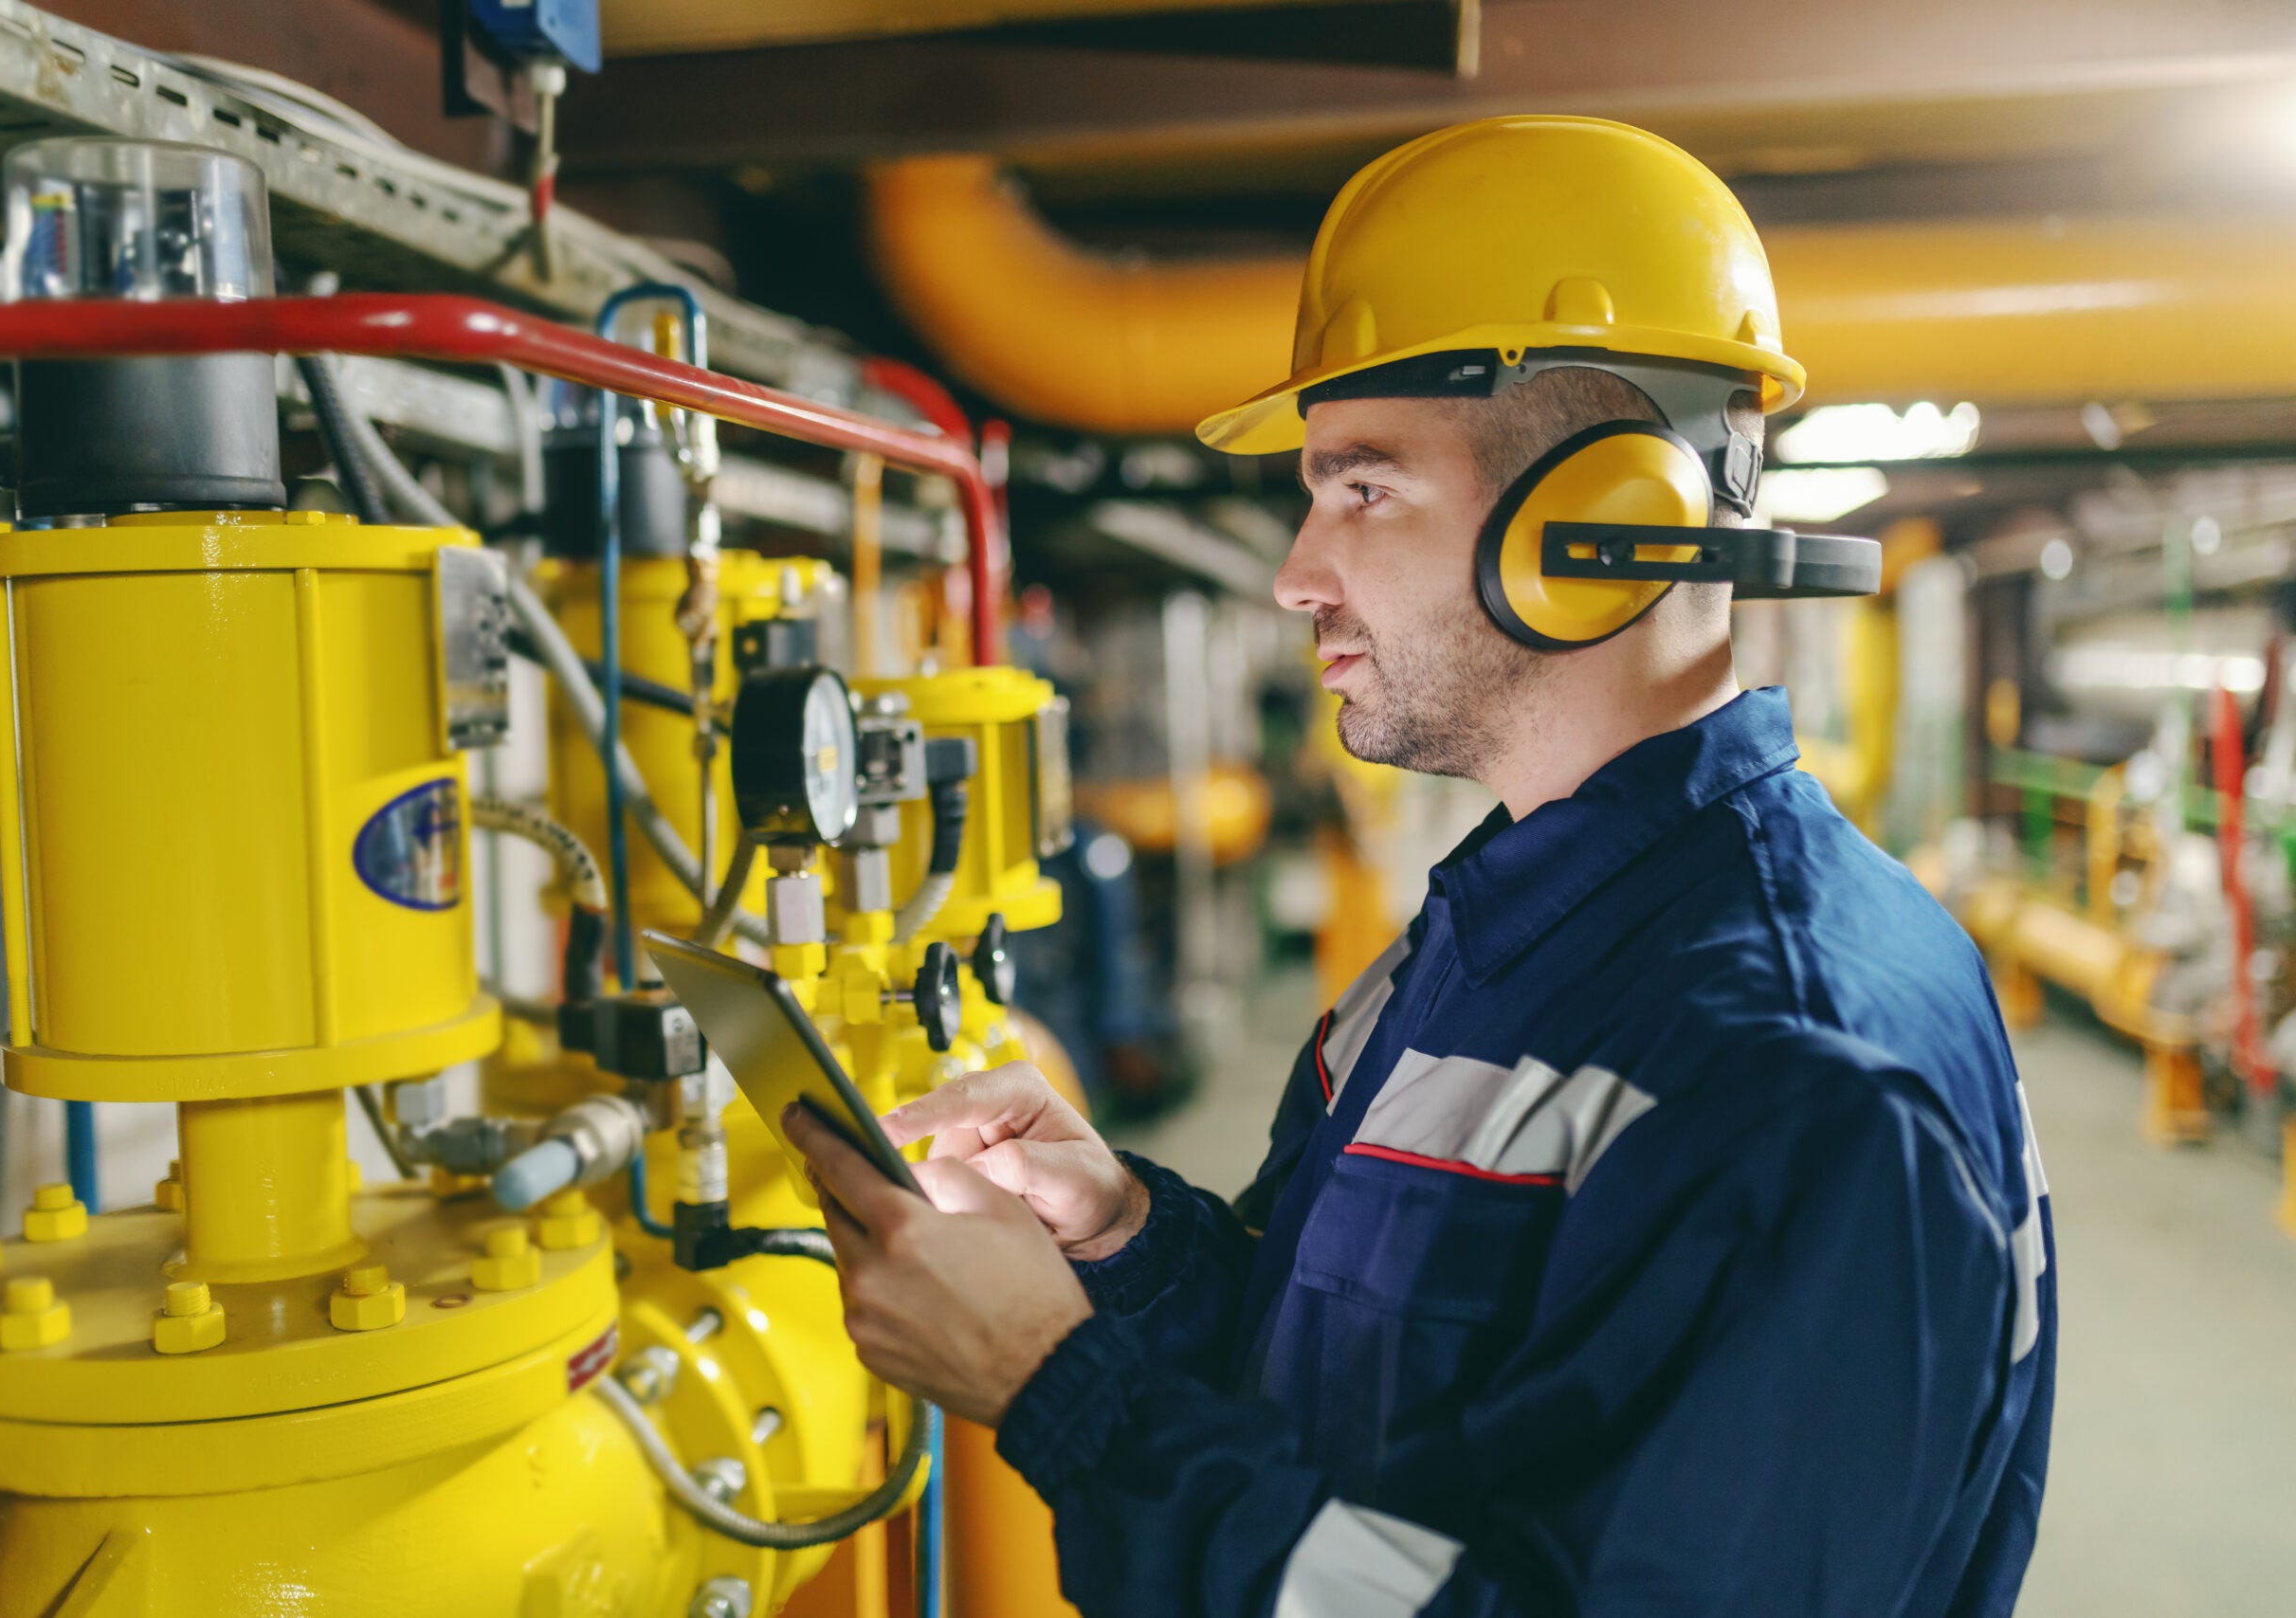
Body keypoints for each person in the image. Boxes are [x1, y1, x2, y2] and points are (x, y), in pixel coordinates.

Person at [782, 115, 2053, 1617]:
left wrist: (1057, 1390)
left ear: (1597, 524)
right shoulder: (1506, 918)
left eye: (1363, 488)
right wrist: (1132, 1236)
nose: (1295, 571)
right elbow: (1373, 1384)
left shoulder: (1794, 1077)